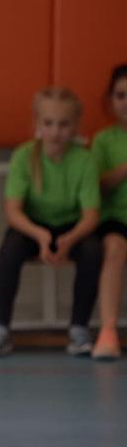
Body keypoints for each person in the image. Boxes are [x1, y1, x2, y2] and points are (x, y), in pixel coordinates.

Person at [0, 87, 102, 357]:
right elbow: (13, 210)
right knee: (10, 250)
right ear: (37, 123)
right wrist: (40, 235)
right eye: (48, 123)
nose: (55, 131)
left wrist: (70, 239)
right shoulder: (23, 156)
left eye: (64, 124)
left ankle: (79, 328)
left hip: (72, 227)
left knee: (93, 251)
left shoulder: (85, 160)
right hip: (32, 226)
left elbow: (91, 215)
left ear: (75, 126)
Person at [92, 64, 127, 360]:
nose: (126, 102)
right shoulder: (104, 140)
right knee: (115, 247)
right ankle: (108, 331)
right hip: (114, 219)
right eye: (121, 95)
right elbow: (97, 186)